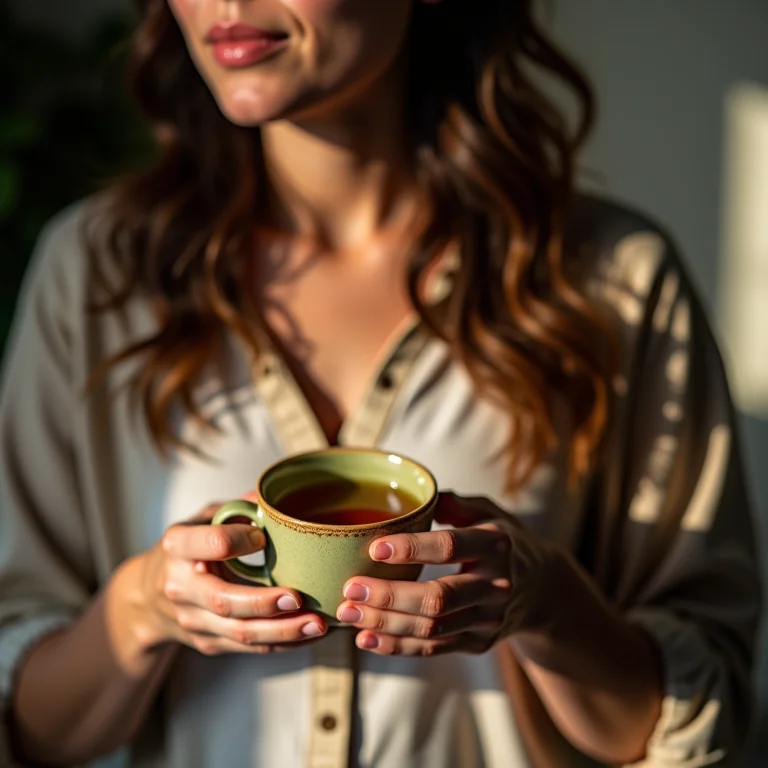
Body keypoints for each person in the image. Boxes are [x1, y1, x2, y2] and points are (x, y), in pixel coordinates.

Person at [0, 0, 761, 766]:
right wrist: (143, 608)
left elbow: (697, 720)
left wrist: (545, 601)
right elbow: (33, 730)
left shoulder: (613, 282)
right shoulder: (95, 274)